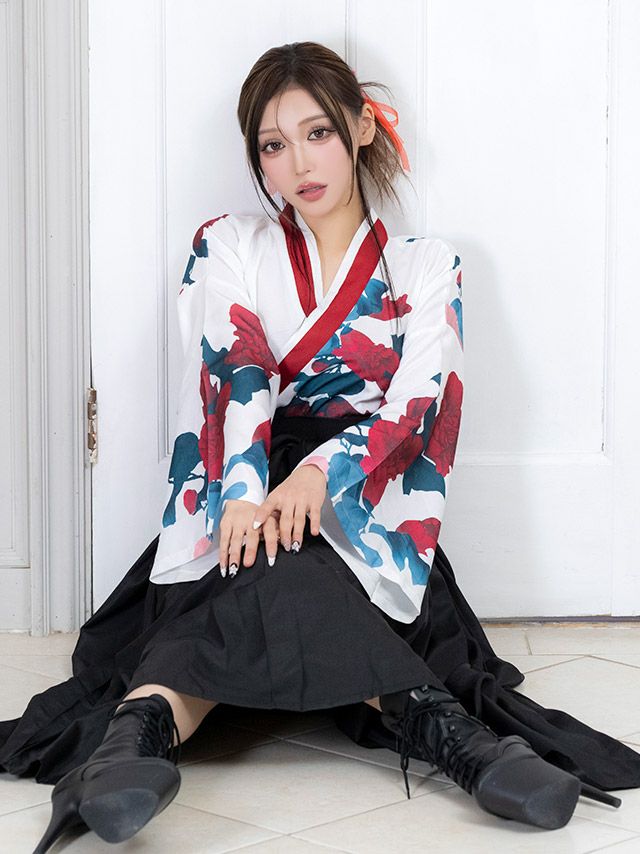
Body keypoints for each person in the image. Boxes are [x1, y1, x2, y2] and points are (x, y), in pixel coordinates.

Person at [1, 40, 638, 854]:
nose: (297, 163)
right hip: (245, 476)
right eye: (273, 145)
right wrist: (244, 492)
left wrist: (316, 477)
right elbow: (234, 366)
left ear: (362, 128)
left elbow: (417, 404)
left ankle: (137, 733)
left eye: (318, 133)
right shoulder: (228, 244)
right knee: (262, 554)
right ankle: (456, 740)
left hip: (365, 497)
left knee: (292, 567)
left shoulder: (427, 265)